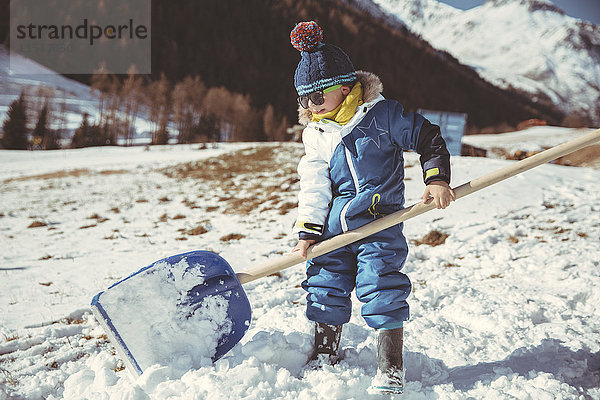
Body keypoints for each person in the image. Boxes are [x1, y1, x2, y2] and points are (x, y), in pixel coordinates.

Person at [288, 21, 456, 394]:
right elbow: (314, 185)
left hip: (380, 223)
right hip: (334, 228)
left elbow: (427, 137)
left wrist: (436, 178)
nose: (311, 108)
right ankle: (324, 351)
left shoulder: (383, 117)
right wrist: (307, 233)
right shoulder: (316, 135)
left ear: (345, 89)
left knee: (381, 284)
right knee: (324, 284)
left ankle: (390, 366)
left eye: (317, 98)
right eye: (304, 101)